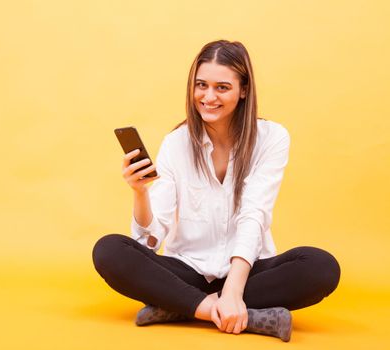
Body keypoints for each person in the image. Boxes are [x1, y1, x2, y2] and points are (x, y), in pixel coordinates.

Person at [92, 40, 340, 342]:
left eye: (222, 87)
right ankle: (223, 312)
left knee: (321, 267)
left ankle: (180, 306)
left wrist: (234, 292)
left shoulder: (272, 138)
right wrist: (140, 192)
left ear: (243, 90)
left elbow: (254, 213)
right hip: (188, 268)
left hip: (248, 273)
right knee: (109, 250)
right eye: (201, 85)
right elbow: (150, 240)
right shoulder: (177, 143)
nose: (208, 97)